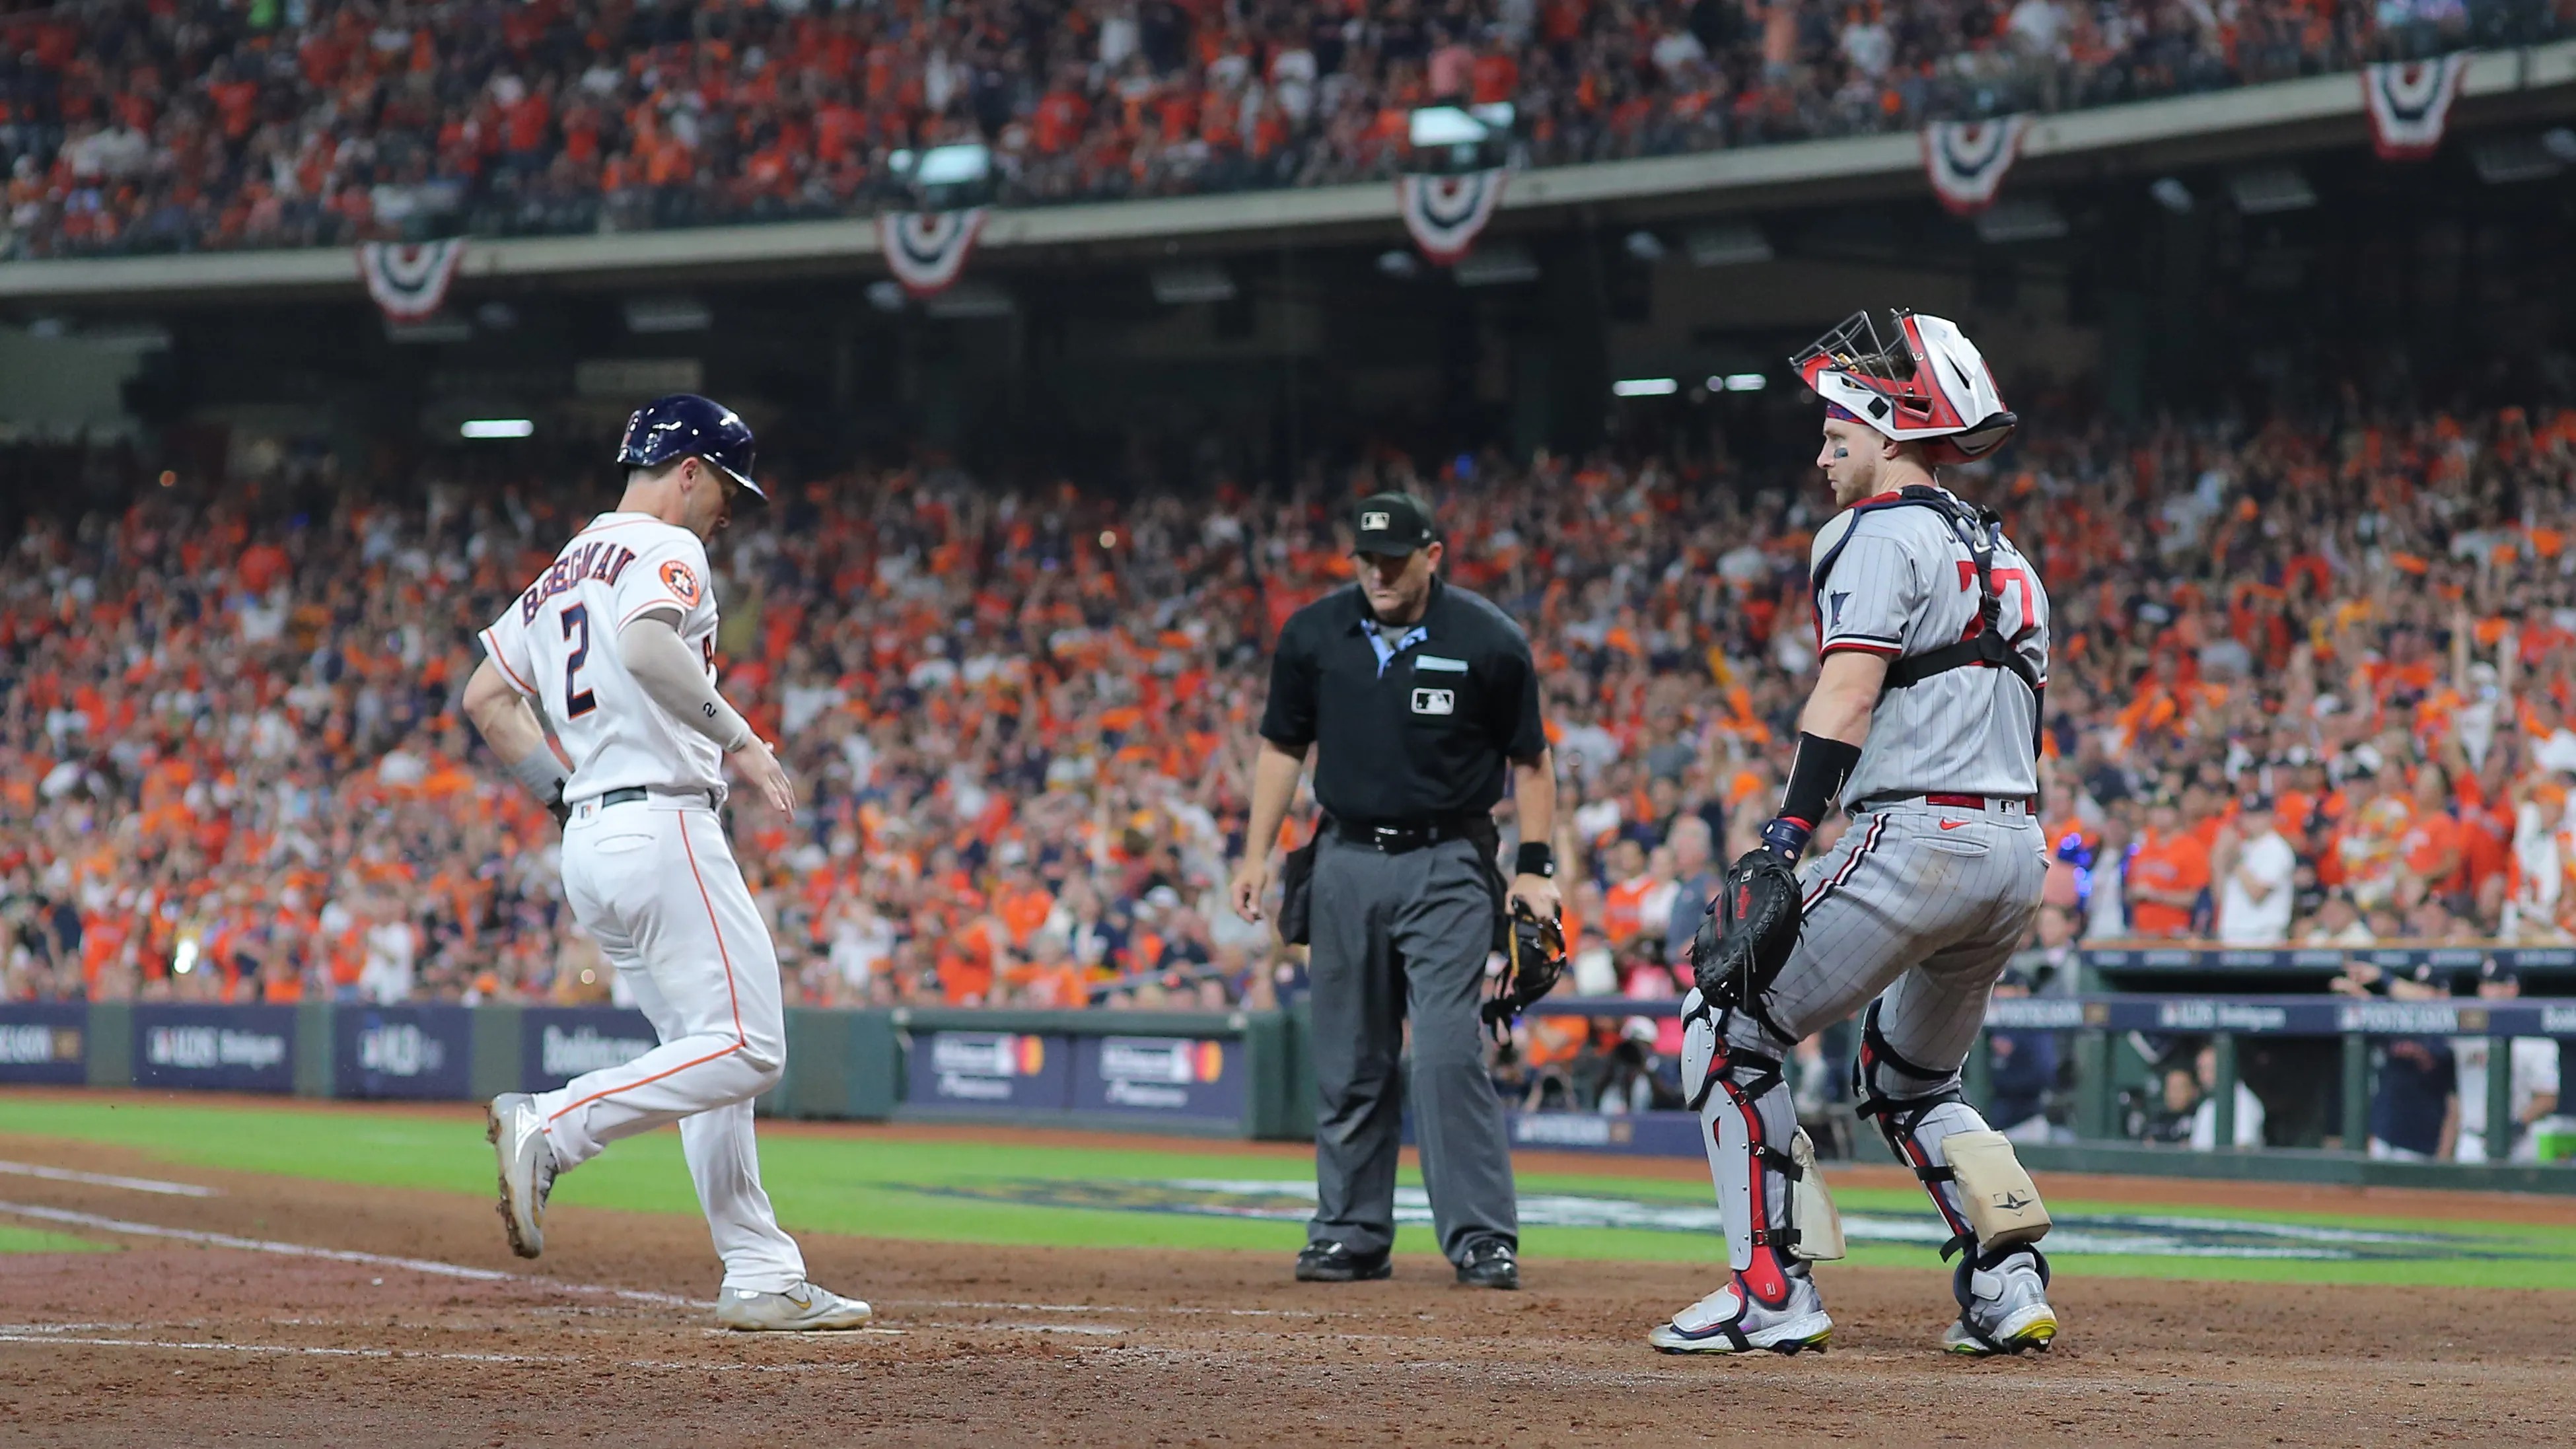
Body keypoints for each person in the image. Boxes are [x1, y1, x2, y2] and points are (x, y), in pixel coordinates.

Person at [1653, 310, 2060, 1358]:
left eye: (1839, 430)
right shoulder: (2007, 550)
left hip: (1918, 835)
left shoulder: (1878, 530)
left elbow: (1847, 690)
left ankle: (1768, 1290)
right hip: (2015, 850)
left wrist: (1786, 837)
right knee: (1916, 1078)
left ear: (1893, 426)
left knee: (1722, 1022)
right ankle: (2009, 1282)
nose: (1823, 448)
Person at [462, 394, 871, 1331]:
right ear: (687, 469)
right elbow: (648, 645)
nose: (729, 509)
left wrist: (557, 792)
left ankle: (761, 1270)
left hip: (591, 838)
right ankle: (553, 1127)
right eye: (725, 485)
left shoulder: (565, 566)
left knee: (708, 1053)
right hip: (664, 824)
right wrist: (745, 739)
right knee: (751, 1045)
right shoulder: (665, 545)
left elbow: (486, 696)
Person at [1229, 491, 1559, 1291]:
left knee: (1447, 1055)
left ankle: (1482, 1235)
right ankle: (1350, 1232)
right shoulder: (1314, 634)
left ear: (1431, 556)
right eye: (1366, 559)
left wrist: (1536, 868)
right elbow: (1281, 748)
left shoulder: (1487, 639)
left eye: (1394, 559)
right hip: (1342, 857)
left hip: (1448, 861)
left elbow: (1531, 762)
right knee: (1349, 1058)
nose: (1378, 573)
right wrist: (1256, 852)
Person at [2451, 961, 2561, 1162]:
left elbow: (2548, 1096)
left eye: (2501, 985)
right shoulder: (2463, 1033)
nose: (2494, 991)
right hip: (2471, 1139)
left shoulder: (2537, 1038)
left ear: (2514, 988)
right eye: (2488, 984)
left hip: (2519, 1141)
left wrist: (2518, 1124)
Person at [2215, 793, 2297, 945]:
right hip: (2232, 936)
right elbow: (2219, 897)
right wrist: (2219, 856)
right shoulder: (2242, 847)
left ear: (2270, 816)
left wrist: (2236, 860)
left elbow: (2257, 894)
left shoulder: (2276, 848)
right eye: (2247, 815)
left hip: (2263, 938)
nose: (2251, 820)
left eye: (2257, 815)